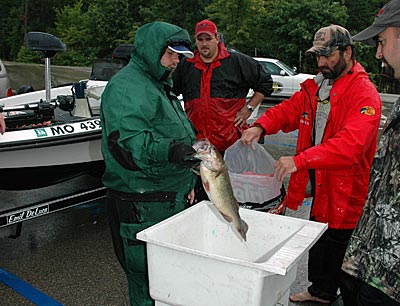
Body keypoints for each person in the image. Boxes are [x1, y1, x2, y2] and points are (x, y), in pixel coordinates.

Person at [241, 24, 382, 304]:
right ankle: (321, 291)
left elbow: (351, 146)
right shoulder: (315, 87)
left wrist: (300, 160)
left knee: (341, 247)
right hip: (320, 182)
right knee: (318, 238)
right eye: (318, 57)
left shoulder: (364, 93)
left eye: (327, 56)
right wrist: (260, 126)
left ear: (347, 52)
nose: (321, 63)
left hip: (345, 186)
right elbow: (286, 110)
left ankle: (340, 294)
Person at [100, 21, 199, 306]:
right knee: (147, 282)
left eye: (180, 56)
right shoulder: (127, 87)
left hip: (168, 198)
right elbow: (127, 145)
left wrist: (189, 180)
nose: (175, 62)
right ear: (150, 50)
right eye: (170, 54)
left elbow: (173, 132)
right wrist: (173, 151)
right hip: (140, 203)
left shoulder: (159, 85)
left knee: (169, 279)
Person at [340, 1, 400, 305]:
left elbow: (349, 147)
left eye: (382, 41)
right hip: (375, 263)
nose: (378, 53)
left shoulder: (364, 92)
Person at [172, 19, 273, 154]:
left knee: (229, 176)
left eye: (208, 39)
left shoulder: (237, 62)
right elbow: (170, 93)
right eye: (200, 39)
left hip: (231, 144)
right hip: (198, 144)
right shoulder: (186, 65)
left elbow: (265, 82)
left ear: (217, 38)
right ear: (195, 40)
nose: (204, 44)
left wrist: (249, 108)